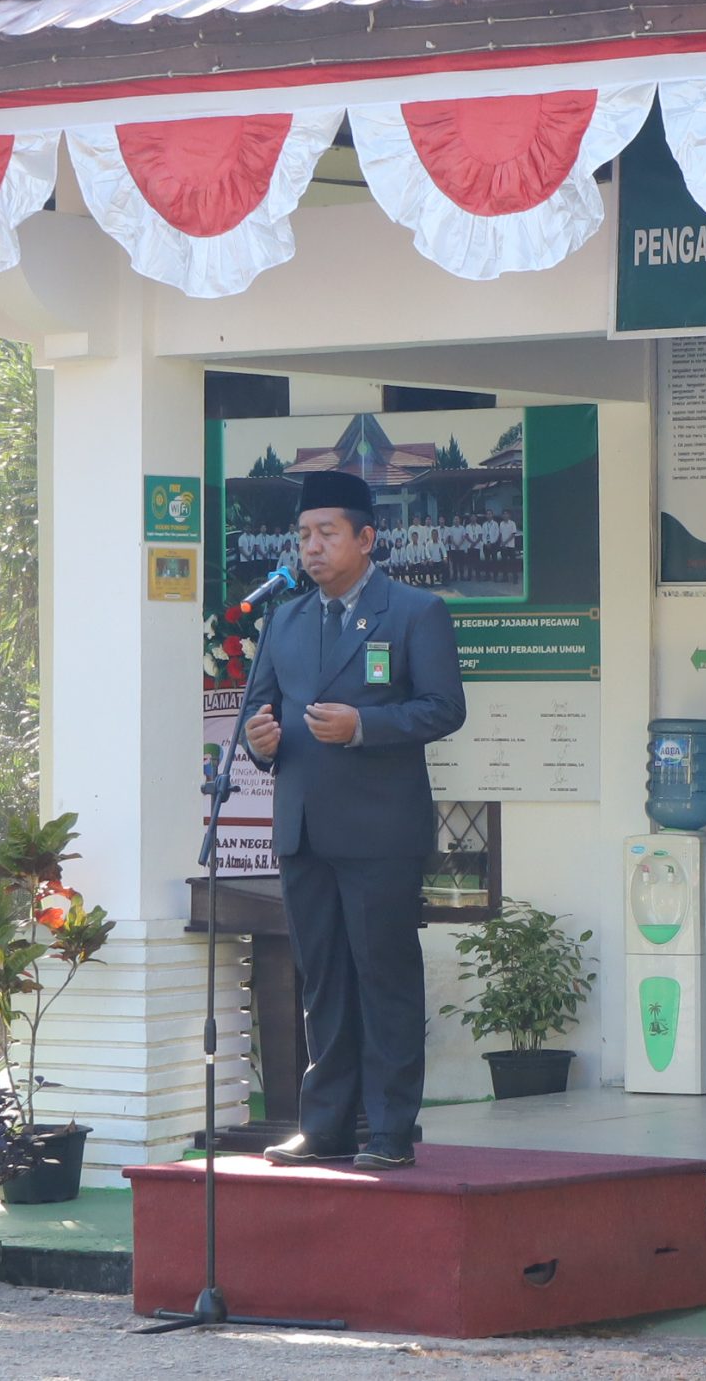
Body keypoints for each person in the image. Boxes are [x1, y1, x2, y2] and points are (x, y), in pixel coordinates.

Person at [243, 470, 467, 1170]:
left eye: (327, 533)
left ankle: (391, 1130)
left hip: (379, 831)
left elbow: (444, 708)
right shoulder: (284, 620)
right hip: (304, 829)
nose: (311, 547)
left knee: (384, 977)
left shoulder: (415, 612)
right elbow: (262, 715)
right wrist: (260, 742)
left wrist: (363, 726)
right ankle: (325, 1127)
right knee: (322, 982)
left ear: (366, 539)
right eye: (303, 535)